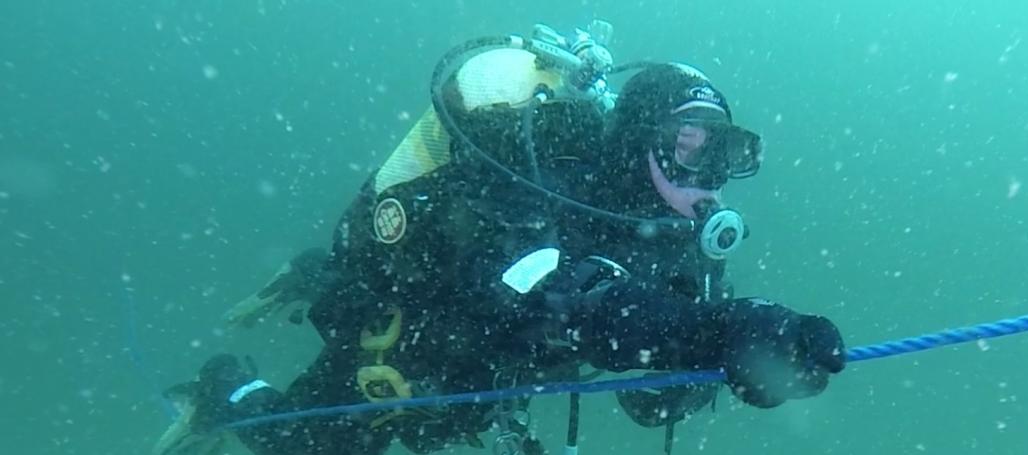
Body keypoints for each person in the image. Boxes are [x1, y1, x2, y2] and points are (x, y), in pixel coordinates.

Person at [154, 24, 845, 455]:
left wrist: (747, 354)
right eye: (688, 145)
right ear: (639, 139)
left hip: (497, 363)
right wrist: (726, 328)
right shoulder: (533, 177)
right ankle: (223, 385)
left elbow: (650, 399)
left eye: (725, 154)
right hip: (414, 322)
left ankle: (308, 278)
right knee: (312, 443)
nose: (708, 175)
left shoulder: (675, 235)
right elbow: (561, 299)